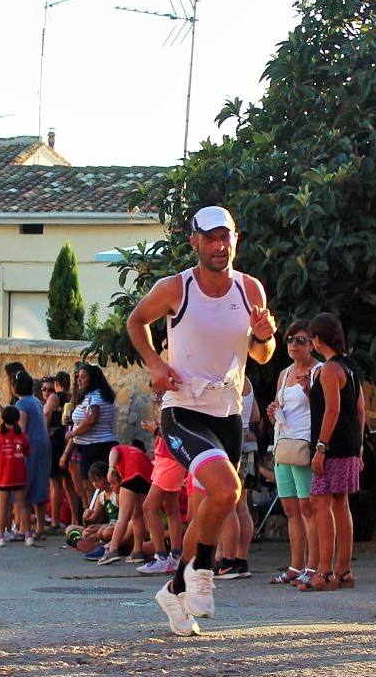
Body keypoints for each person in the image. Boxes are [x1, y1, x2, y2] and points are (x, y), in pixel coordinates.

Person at [126, 204, 277, 636]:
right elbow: (136, 322)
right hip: (184, 408)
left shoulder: (250, 289)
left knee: (215, 505)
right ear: (194, 241)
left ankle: (174, 591)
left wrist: (266, 335)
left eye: (225, 237)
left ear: (236, 239)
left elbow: (262, 355)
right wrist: (155, 363)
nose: (218, 246)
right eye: (210, 238)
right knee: (227, 490)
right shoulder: (176, 288)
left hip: (228, 412)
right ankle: (203, 573)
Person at [301, 312, 364, 592]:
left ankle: (325, 572)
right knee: (341, 504)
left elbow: (333, 409)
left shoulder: (328, 369)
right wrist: (359, 446)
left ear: (316, 339)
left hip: (333, 447)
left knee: (321, 503)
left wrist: (321, 448)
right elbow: (360, 408)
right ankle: (344, 570)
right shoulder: (350, 366)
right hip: (349, 444)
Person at [267, 322, 322, 585]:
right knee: (290, 509)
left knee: (307, 507)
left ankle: (313, 566)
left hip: (303, 444)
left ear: (312, 344)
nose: (293, 345)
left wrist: (310, 393)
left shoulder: (319, 371)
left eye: (300, 340)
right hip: (282, 444)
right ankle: (294, 565)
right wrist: (273, 412)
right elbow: (282, 410)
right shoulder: (285, 373)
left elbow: (326, 410)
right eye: (289, 340)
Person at [214, 377, 260, 579]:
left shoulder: (227, 377)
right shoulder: (247, 380)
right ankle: (241, 560)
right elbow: (256, 415)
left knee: (228, 505)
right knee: (241, 505)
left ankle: (228, 561)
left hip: (229, 439)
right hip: (246, 442)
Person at [136, 410, 187, 576]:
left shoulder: (177, 403)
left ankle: (161, 557)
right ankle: (176, 555)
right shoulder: (170, 403)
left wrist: (156, 431)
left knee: (149, 507)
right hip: (164, 457)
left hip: (170, 459)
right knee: (171, 509)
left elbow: (178, 434)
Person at [61, 364, 119, 490]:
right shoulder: (103, 396)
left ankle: (95, 509)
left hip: (94, 447)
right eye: (78, 377)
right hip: (102, 445)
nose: (79, 380)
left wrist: (72, 433)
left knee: (92, 486)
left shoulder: (94, 397)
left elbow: (92, 419)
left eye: (83, 377)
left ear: (92, 379)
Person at [96, 442, 154, 564]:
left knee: (123, 516)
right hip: (147, 477)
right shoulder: (135, 452)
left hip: (132, 475)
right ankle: (137, 552)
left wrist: (111, 468)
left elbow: (114, 452)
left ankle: (112, 550)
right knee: (138, 515)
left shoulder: (117, 449)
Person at [13, 371, 52, 538]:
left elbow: (21, 429)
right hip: (44, 445)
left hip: (30, 447)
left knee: (26, 487)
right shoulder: (36, 401)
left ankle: (24, 528)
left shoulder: (21, 405)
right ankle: (40, 528)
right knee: (40, 486)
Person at [0, 405, 33, 546]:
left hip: (4, 476)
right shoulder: (23, 436)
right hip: (20, 475)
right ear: (17, 419)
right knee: (23, 506)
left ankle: (1, 537)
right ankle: (28, 536)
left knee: (3, 507)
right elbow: (27, 453)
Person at [44, 373, 79, 527]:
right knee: (69, 484)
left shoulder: (55, 397)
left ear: (57, 383)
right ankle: (75, 519)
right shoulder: (71, 397)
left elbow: (46, 413)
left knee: (55, 484)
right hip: (68, 440)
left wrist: (46, 432)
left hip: (56, 439)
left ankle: (55, 521)